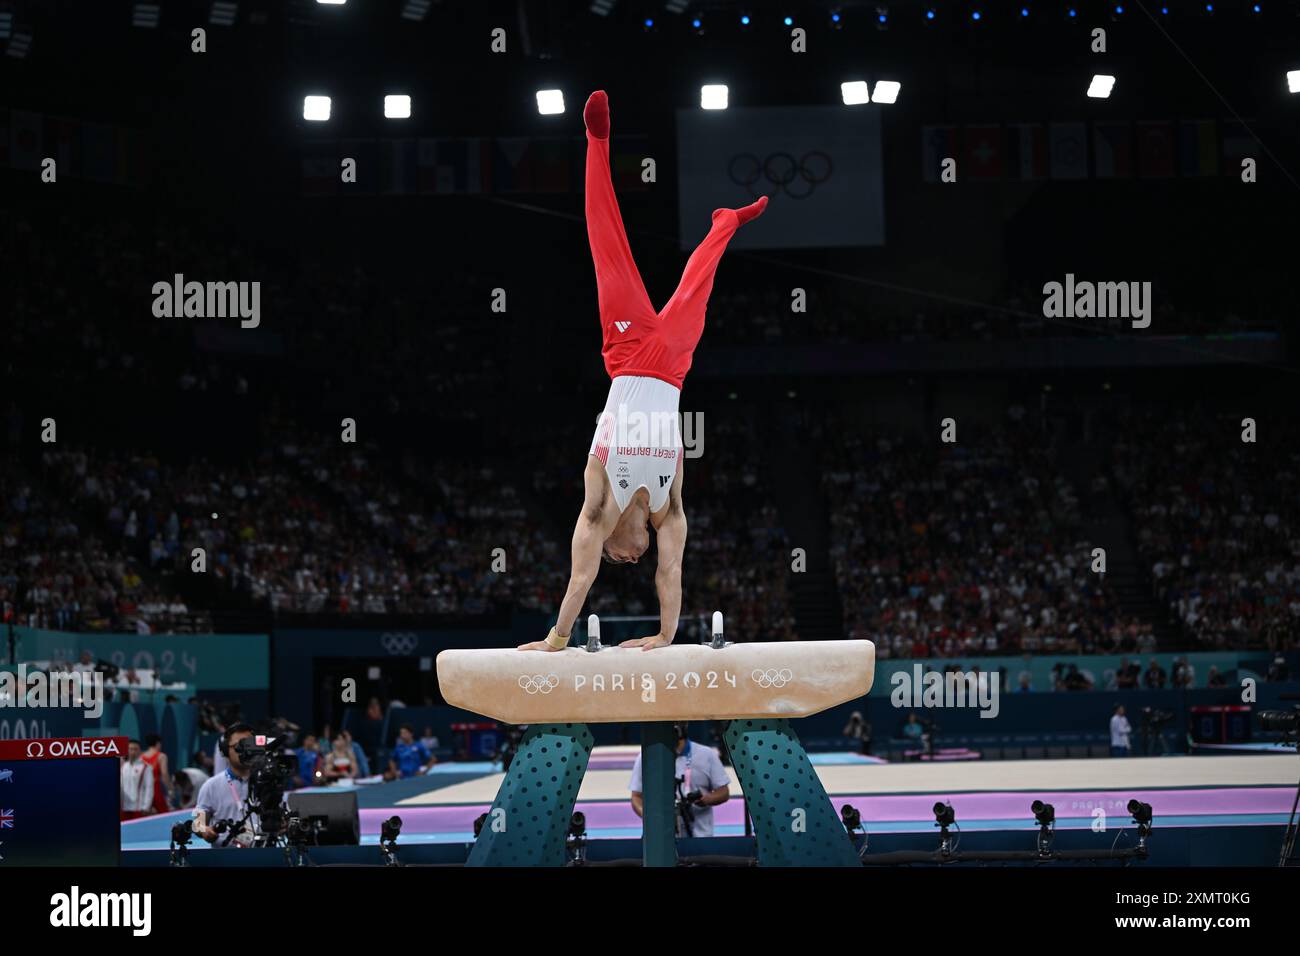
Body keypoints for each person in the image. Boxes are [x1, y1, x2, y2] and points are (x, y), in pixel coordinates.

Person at [518, 90, 767, 655]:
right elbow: (670, 576)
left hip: (629, 356)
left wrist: (558, 638)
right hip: (675, 368)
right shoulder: (669, 511)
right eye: (632, 558)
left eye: (619, 557)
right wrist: (664, 634)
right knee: (699, 282)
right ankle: (725, 222)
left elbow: (581, 578)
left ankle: (597, 140)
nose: (631, 558)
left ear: (608, 541)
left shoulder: (598, 503)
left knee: (609, 246)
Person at [628, 723, 730, 837]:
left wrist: (708, 799)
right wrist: (650, 818)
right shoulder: (646, 756)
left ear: (686, 724)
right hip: (660, 838)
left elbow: (724, 792)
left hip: (700, 836)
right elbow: (636, 796)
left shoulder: (707, 754)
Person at [193, 723, 258, 847]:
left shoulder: (267, 781)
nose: (245, 750)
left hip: (265, 856)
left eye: (249, 745)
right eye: (239, 746)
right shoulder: (211, 786)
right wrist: (204, 830)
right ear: (225, 750)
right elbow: (197, 823)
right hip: (224, 858)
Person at [120, 739, 154, 821]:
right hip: (124, 807)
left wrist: (146, 807)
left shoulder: (146, 767)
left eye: (135, 749)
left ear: (140, 751)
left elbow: (149, 788)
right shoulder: (123, 766)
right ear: (127, 750)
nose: (133, 752)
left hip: (139, 808)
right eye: (130, 749)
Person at [139, 733, 173, 813]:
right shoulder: (161, 756)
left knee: (145, 814)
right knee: (164, 814)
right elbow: (164, 774)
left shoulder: (141, 757)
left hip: (144, 789)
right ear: (158, 743)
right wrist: (170, 788)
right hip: (155, 788)